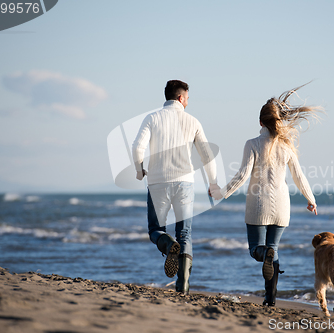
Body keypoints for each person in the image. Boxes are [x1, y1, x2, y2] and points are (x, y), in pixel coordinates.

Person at [210, 84, 320, 306]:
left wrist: (222, 192)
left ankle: (265, 254)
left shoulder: (252, 144)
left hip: (258, 207)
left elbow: (242, 176)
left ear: (260, 122)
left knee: (256, 250)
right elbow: (299, 176)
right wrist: (311, 199)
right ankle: (270, 299)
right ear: (278, 121)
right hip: (282, 208)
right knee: (274, 250)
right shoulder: (287, 147)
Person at [132, 80, 219, 294]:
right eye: (188, 98)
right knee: (186, 235)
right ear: (180, 98)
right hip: (185, 183)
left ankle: (168, 244)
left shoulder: (152, 118)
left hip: (157, 182)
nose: (188, 102)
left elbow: (137, 147)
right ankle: (183, 286)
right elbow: (207, 155)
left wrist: (138, 170)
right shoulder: (193, 121)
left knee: (156, 230)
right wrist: (213, 183)